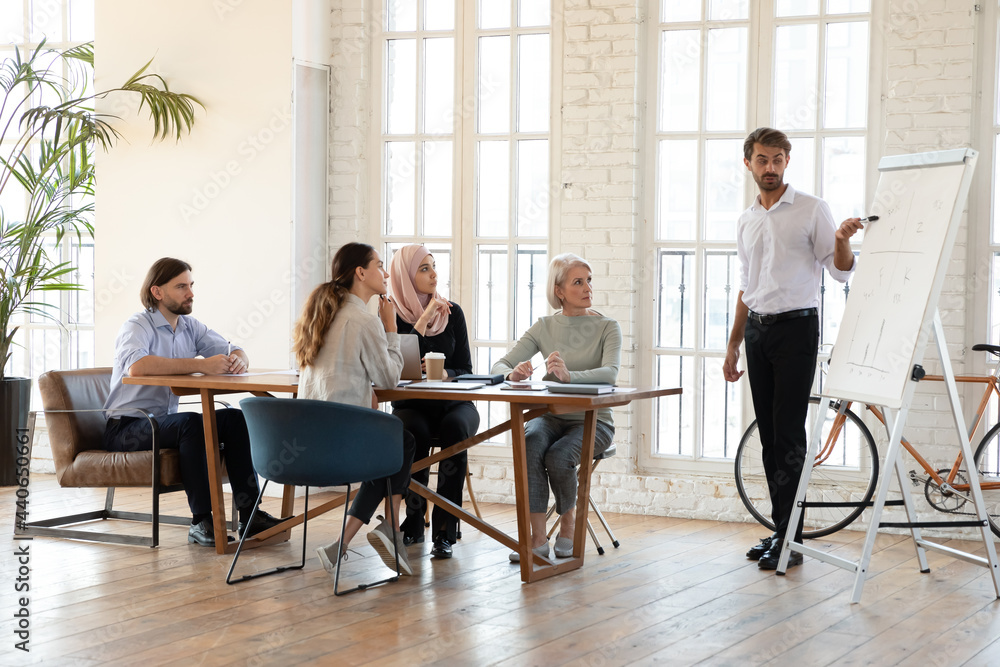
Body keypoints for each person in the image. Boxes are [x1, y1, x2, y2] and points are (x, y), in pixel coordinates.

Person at [723, 127, 864, 570]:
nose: (770, 167)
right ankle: (782, 529)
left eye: (777, 159)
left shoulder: (811, 209)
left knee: (788, 434)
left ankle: (790, 539)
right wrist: (732, 346)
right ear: (748, 163)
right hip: (757, 334)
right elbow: (747, 287)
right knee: (768, 436)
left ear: (787, 162)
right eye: (762, 159)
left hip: (796, 332)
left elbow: (840, 272)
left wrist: (841, 240)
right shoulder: (747, 220)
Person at [103, 257, 284, 547]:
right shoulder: (137, 325)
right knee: (191, 422)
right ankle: (201, 521)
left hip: (163, 423)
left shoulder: (190, 326)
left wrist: (238, 360)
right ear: (157, 292)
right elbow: (137, 367)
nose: (190, 293)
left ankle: (251, 516)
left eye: (190, 285)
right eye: (181, 287)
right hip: (127, 427)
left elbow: (232, 348)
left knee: (235, 418)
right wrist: (201, 366)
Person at [294, 242, 416, 577]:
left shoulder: (321, 314)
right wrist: (391, 328)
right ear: (361, 273)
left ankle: (343, 544)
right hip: (339, 450)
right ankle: (391, 528)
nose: (386, 272)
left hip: (302, 449)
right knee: (401, 443)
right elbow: (389, 378)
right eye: (379, 265)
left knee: (393, 441)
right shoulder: (363, 319)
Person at [491, 253, 621, 562]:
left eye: (589, 280)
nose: (587, 287)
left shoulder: (607, 326)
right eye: (578, 282)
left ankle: (568, 523)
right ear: (559, 290)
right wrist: (513, 373)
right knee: (530, 441)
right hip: (550, 417)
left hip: (595, 421)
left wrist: (569, 375)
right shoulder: (544, 326)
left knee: (560, 455)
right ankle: (536, 539)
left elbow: (610, 373)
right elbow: (500, 364)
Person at [388, 245, 480, 560]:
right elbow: (395, 365)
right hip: (412, 402)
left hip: (454, 402)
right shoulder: (391, 315)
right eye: (424, 268)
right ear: (404, 275)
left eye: (434, 266)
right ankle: (413, 521)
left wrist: (444, 374)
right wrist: (423, 319)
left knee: (456, 430)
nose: (434, 274)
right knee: (412, 431)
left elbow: (466, 368)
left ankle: (444, 530)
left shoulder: (452, 312)